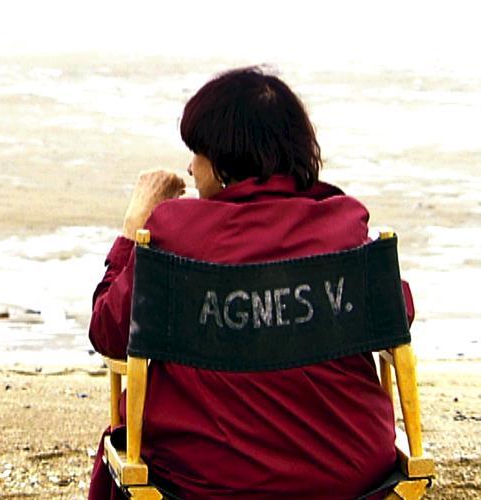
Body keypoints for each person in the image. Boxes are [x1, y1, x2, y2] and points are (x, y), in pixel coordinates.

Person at [88, 66, 413, 499]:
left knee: (129, 428)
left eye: (197, 152)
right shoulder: (344, 223)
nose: (190, 165)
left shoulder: (175, 232)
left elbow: (109, 332)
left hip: (209, 480)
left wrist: (133, 227)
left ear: (222, 160)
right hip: (352, 471)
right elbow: (398, 314)